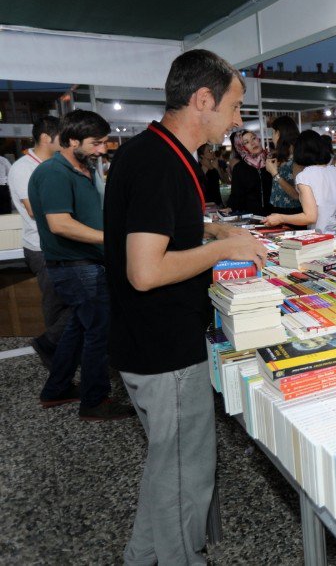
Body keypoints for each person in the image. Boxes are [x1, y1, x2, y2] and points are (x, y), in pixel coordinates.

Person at [105, 49, 267, 566]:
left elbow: (158, 232)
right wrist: (221, 249)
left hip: (146, 342)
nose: (239, 120)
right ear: (203, 100)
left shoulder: (155, 152)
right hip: (165, 350)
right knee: (184, 479)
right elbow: (146, 270)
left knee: (167, 468)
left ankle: (140, 556)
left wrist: (211, 229)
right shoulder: (160, 164)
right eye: (235, 106)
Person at [27, 110, 133, 420]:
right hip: (76, 266)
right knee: (98, 332)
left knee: (78, 328)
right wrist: (109, 238)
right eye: (96, 143)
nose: (102, 149)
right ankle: (94, 401)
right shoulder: (53, 173)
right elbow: (60, 224)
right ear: (72, 140)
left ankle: (56, 389)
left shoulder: (83, 169)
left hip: (88, 263)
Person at [8, 115, 70, 368]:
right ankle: (52, 350)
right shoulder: (23, 168)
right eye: (62, 136)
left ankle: (57, 349)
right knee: (58, 303)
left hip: (62, 244)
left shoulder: (56, 163)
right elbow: (34, 209)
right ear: (46, 137)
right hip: (42, 247)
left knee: (71, 301)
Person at [263, 130, 336, 233]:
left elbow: (310, 217)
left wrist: (280, 218)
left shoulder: (305, 176)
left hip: (321, 235)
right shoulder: (335, 170)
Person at [226, 130, 272, 215]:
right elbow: (236, 195)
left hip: (276, 216)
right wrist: (230, 207)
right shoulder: (239, 168)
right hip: (251, 217)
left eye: (253, 138)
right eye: (246, 142)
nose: (252, 143)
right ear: (241, 147)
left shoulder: (271, 161)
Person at [264, 116, 302, 216]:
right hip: (276, 209)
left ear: (279, 133)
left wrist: (275, 174)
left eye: (273, 133)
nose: (272, 138)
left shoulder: (298, 157)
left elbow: (297, 195)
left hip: (292, 212)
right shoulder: (280, 155)